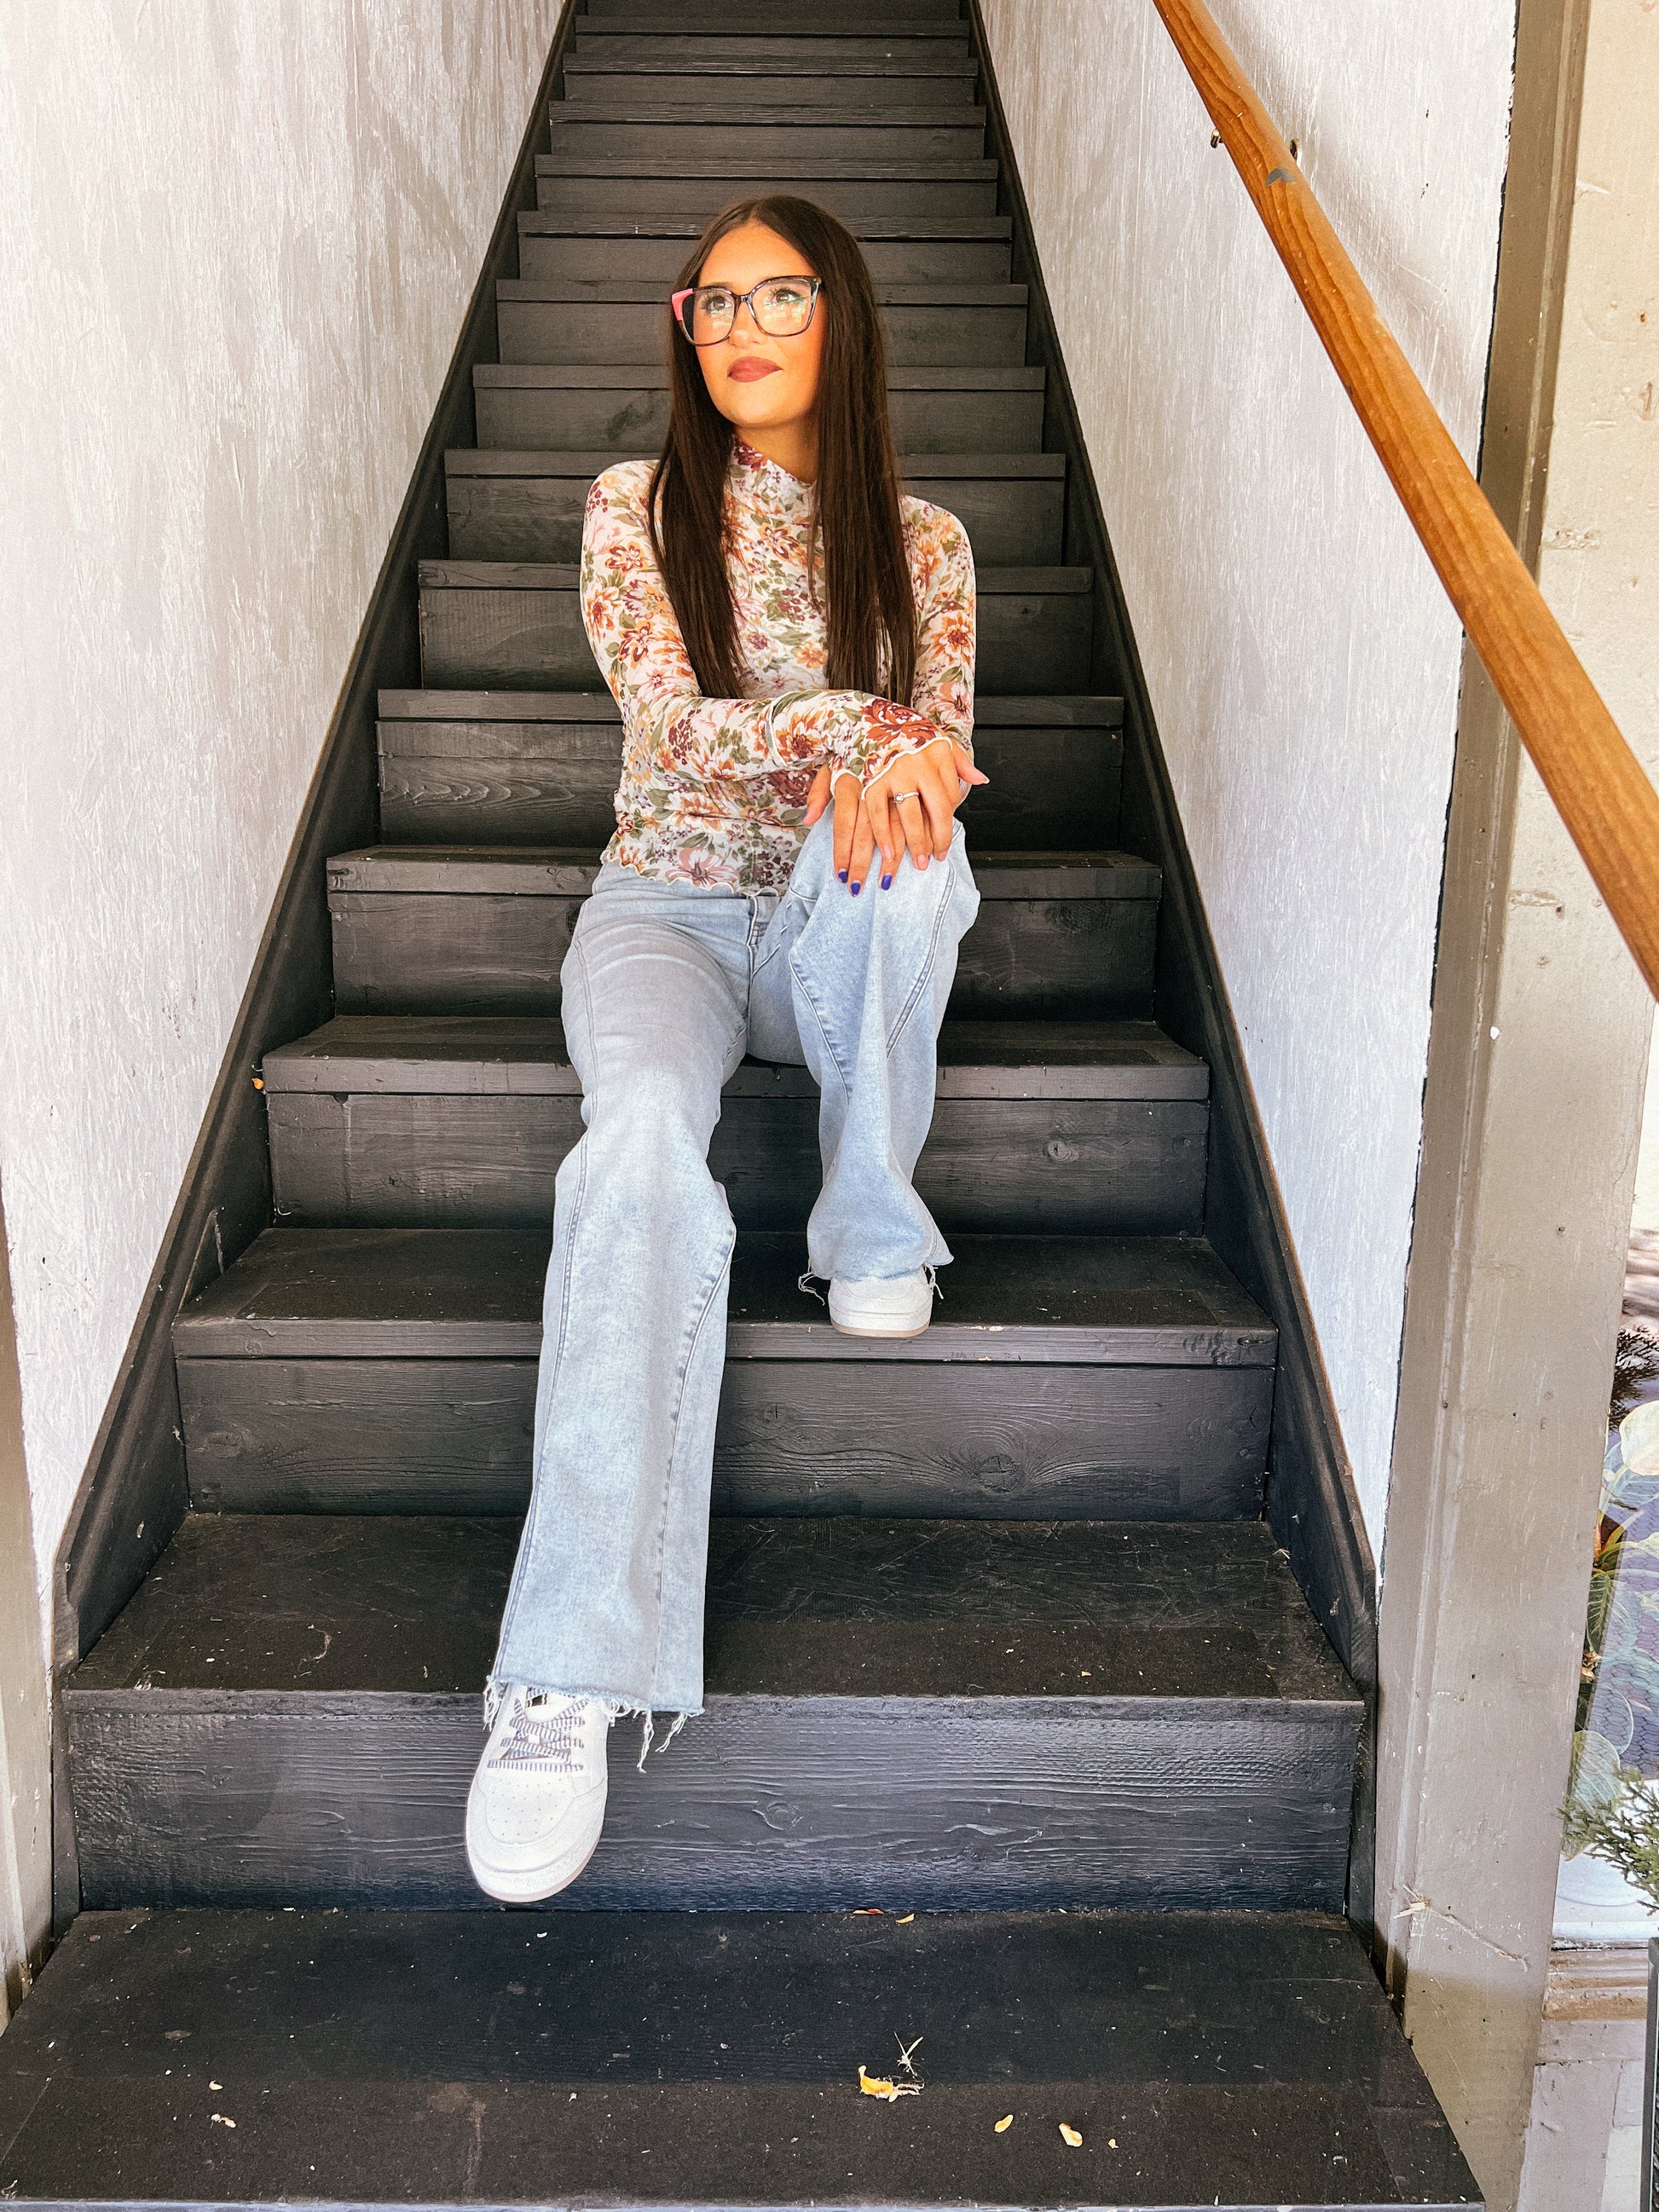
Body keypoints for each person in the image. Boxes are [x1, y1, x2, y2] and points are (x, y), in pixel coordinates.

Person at [464, 194, 986, 1905]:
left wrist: (892, 763)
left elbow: (934, 766)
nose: (740, 324)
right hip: (666, 912)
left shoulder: (928, 543)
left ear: (844, 315)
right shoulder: (634, 505)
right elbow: (669, 727)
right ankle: (563, 1674)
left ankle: (865, 1216)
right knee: (629, 1147)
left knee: (922, 849)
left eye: (782, 293)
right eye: (712, 301)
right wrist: (855, 721)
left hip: (838, 910)